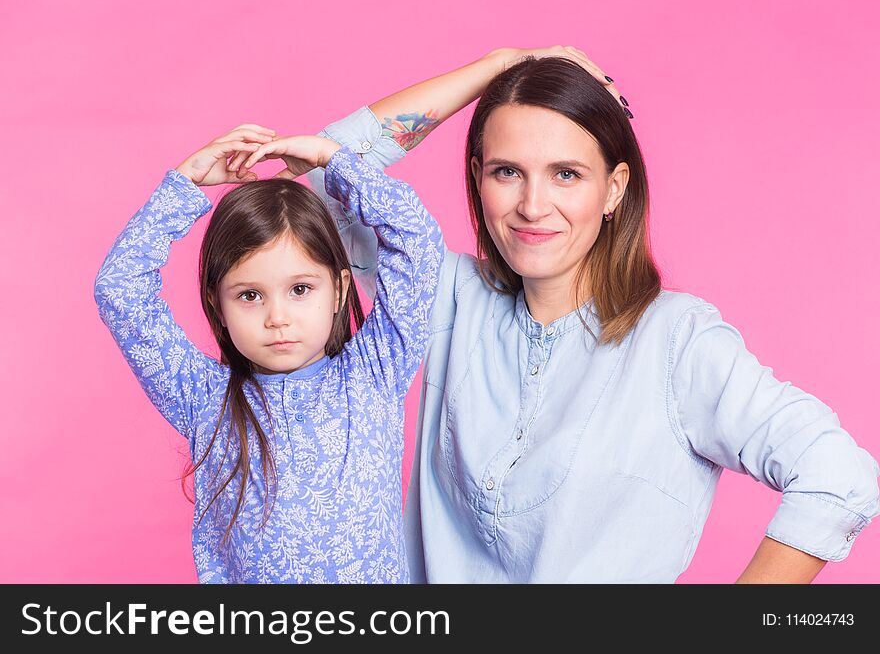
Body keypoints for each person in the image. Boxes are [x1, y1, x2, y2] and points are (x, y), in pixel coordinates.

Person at [274, 47, 880, 582]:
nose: (533, 205)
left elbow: (838, 476)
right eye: (507, 172)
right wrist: (496, 68)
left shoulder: (677, 341)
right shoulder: (444, 297)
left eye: (567, 174)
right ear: (478, 181)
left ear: (614, 189)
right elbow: (323, 178)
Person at [94, 126, 444, 583]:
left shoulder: (375, 369)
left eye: (300, 289)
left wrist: (333, 160)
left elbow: (417, 239)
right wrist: (186, 183)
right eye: (250, 295)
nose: (277, 317)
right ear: (217, 304)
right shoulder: (204, 399)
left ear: (338, 289)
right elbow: (119, 288)